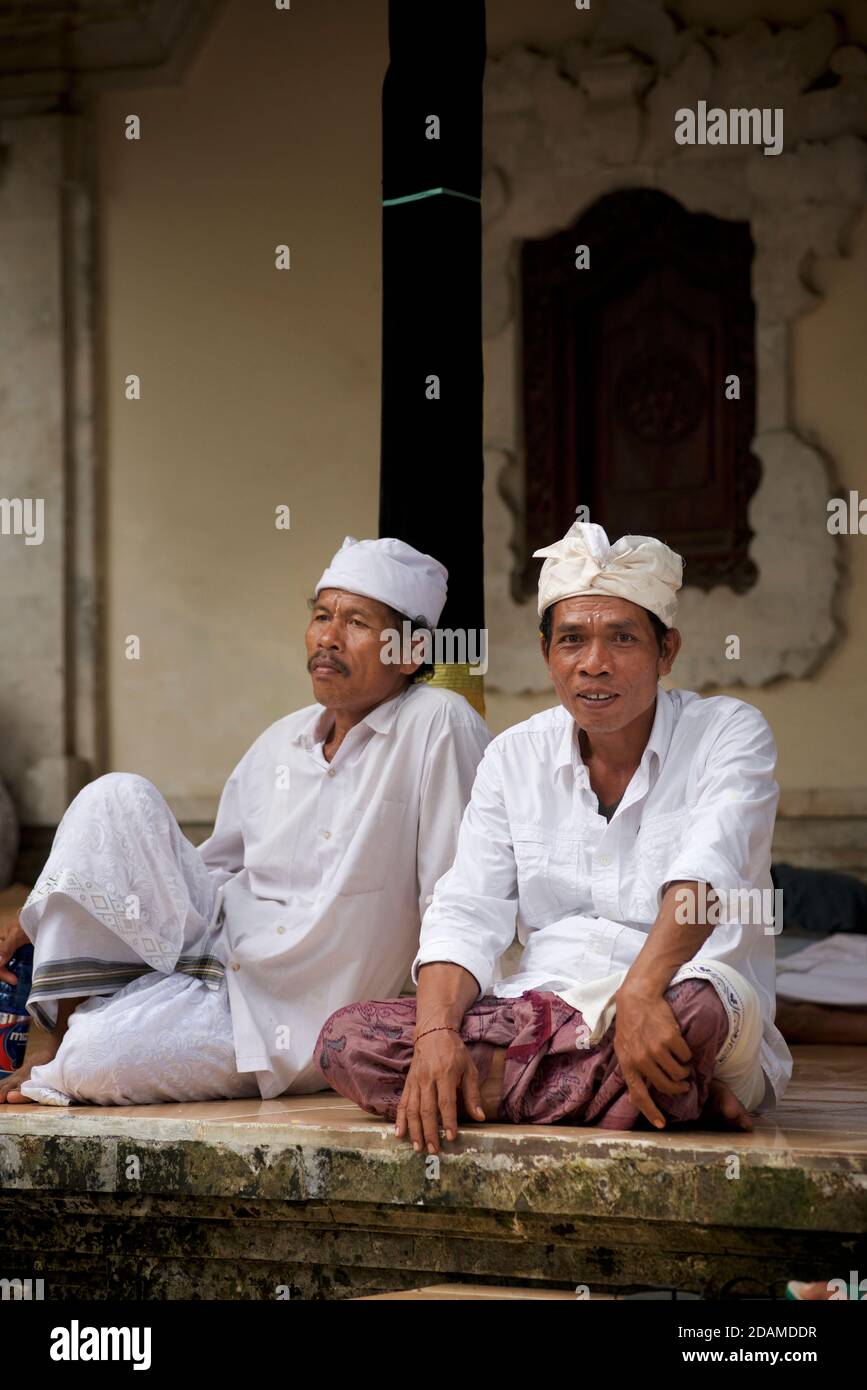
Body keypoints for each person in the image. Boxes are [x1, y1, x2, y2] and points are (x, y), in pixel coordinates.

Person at [317, 521, 792, 1153]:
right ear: (548, 656)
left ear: (667, 651)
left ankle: (527, 1090)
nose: (594, 663)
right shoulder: (514, 756)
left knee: (700, 1010)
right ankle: (665, 1097)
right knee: (349, 1040)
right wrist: (435, 1038)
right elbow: (467, 910)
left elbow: (710, 873)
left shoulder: (728, 732)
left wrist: (643, 991)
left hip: (678, 994)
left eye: (622, 638)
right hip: (539, 1009)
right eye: (572, 640)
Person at [0, 536, 490, 1106]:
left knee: (95, 1063)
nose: (327, 637)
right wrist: (56, 902)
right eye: (321, 615)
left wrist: (438, 1026)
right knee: (114, 796)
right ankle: (57, 1032)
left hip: (295, 1015)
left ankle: (78, 1041)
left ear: (409, 651)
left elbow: (455, 896)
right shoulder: (282, 738)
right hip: (216, 960)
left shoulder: (438, 723)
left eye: (356, 622)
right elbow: (211, 872)